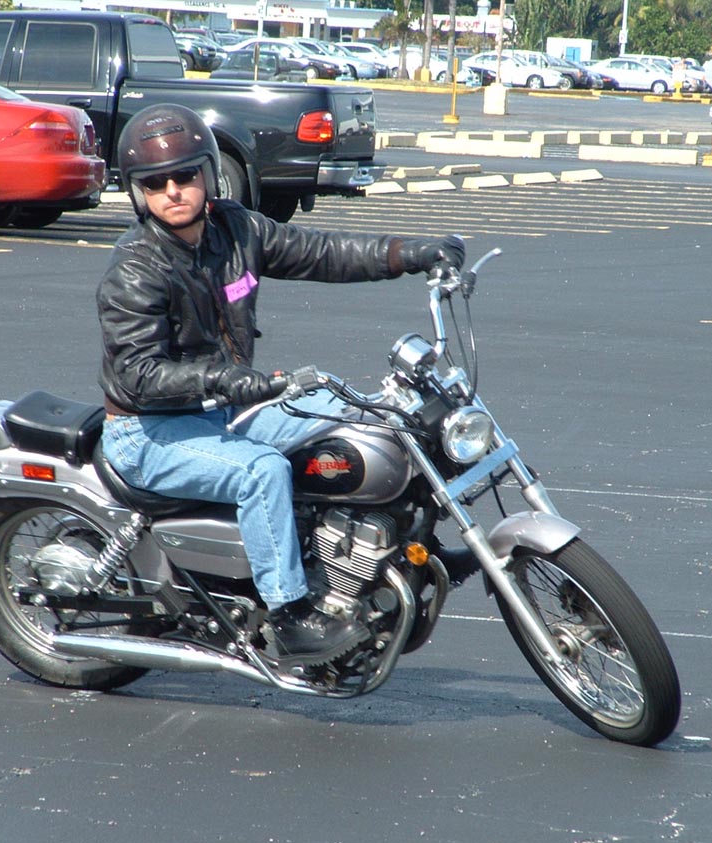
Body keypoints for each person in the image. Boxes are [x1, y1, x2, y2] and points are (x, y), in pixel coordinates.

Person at [95, 104, 464, 665]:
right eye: (154, 182)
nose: (172, 191)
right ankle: (289, 615)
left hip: (222, 407)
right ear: (137, 192)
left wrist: (409, 254)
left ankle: (396, 546)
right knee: (261, 471)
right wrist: (225, 378)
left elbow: (322, 252)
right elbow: (137, 374)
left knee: (354, 412)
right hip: (148, 430)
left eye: (184, 175)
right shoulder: (135, 268)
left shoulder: (235, 229)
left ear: (208, 173)